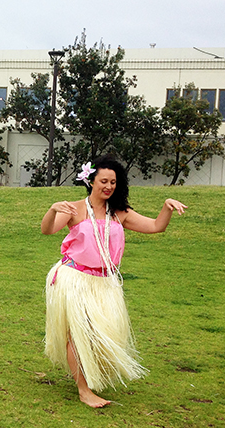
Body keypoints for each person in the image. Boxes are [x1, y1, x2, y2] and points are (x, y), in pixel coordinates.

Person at [41, 155, 187, 408]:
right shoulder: (74, 209)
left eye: (113, 182)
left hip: (105, 283)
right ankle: (84, 390)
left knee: (100, 335)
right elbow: (48, 230)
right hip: (74, 279)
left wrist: (167, 207)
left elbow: (155, 226)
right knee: (77, 333)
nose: (108, 186)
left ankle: (85, 376)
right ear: (91, 181)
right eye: (103, 181)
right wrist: (53, 209)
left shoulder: (120, 213)